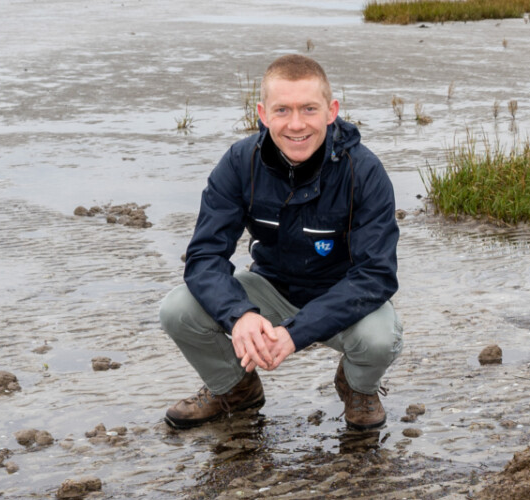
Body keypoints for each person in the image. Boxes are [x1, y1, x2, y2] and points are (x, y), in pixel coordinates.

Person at [158, 54, 401, 431]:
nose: (296, 124)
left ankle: (358, 388)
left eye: (309, 109)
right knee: (177, 309)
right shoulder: (240, 163)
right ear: (263, 113)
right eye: (282, 110)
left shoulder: (364, 171)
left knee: (380, 339)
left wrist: (294, 333)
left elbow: (376, 275)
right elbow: (204, 256)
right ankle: (235, 389)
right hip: (270, 288)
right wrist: (239, 315)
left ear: (331, 111)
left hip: (343, 296)